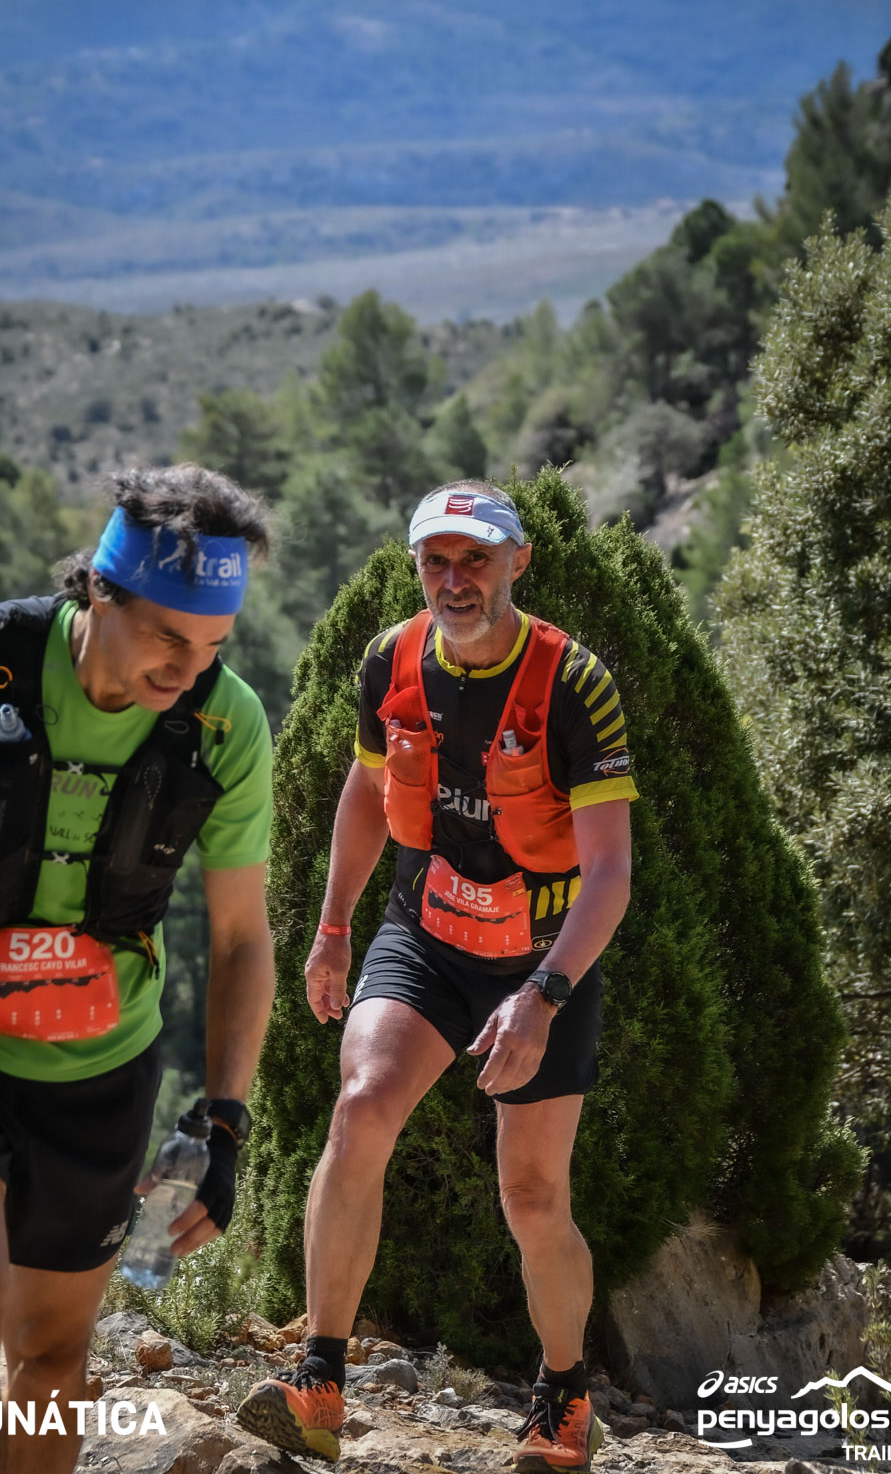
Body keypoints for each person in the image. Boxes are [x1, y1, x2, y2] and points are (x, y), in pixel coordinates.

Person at [0, 464, 275, 1474]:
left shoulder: (226, 726)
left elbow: (239, 939)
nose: (188, 668)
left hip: (99, 1072)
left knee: (50, 1359)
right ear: (100, 589)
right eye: (168, 636)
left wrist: (223, 1122)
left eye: (212, 645)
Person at [238, 479, 637, 1470]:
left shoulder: (572, 681)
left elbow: (610, 874)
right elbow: (367, 790)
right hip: (427, 931)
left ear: (516, 562)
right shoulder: (390, 658)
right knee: (360, 1104)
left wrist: (542, 997)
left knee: (532, 1196)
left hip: (543, 955)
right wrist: (332, 927)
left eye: (475, 559)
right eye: (435, 561)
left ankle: (563, 1395)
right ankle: (318, 1380)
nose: (454, 580)